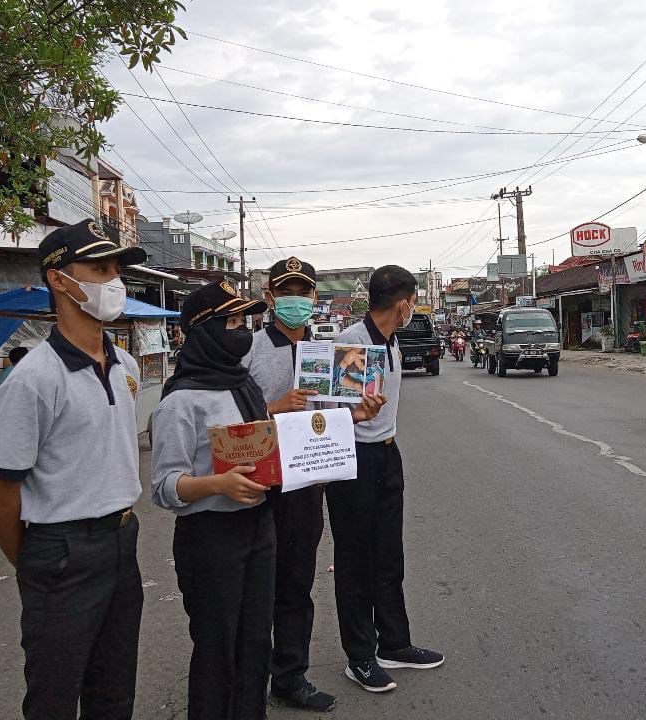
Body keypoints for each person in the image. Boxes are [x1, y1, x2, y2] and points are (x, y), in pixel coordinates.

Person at [0, 219, 147, 720]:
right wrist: (35, 563)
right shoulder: (32, 380)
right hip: (61, 549)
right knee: (54, 694)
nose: (112, 282)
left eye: (116, 270)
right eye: (98, 269)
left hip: (122, 539)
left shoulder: (126, 367)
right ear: (59, 279)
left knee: (114, 691)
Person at [242, 257, 385, 712]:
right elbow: (228, 425)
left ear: (314, 299)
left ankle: (290, 676)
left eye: (303, 292)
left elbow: (332, 415)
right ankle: (245, 682)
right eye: (286, 292)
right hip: (255, 484)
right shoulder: (246, 352)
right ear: (269, 297)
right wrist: (274, 407)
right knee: (253, 589)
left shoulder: (328, 355)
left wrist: (358, 415)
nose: (295, 301)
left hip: (304, 484)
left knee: (296, 584)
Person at [151, 281, 276, 720]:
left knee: (257, 637)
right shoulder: (181, 401)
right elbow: (164, 486)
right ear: (203, 330)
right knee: (217, 644)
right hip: (209, 537)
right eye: (231, 321)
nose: (241, 330)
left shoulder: (244, 385)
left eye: (244, 320)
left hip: (258, 527)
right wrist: (217, 484)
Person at [324, 265, 444, 695]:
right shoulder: (355, 344)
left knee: (389, 556)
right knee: (356, 561)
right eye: (412, 300)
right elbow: (335, 411)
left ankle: (394, 642)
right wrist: (357, 415)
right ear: (403, 302)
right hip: (355, 461)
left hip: (386, 455)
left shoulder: (390, 342)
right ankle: (360, 657)